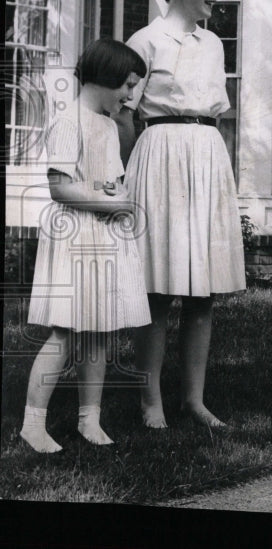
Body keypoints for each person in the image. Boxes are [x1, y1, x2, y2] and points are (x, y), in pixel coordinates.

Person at [117, 0, 245, 429]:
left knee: (203, 291)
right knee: (157, 288)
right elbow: (125, 116)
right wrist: (133, 175)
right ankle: (151, 402)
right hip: (160, 156)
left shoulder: (212, 43)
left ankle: (194, 400)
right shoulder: (144, 40)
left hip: (207, 155)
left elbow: (215, 111)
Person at [20, 38, 151, 452]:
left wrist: (117, 197)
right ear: (106, 78)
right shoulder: (70, 120)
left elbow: (106, 178)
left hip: (103, 237)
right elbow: (59, 187)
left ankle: (88, 420)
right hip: (77, 236)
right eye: (127, 85)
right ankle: (33, 423)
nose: (131, 96)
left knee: (98, 332)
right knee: (66, 332)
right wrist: (108, 204)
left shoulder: (108, 126)